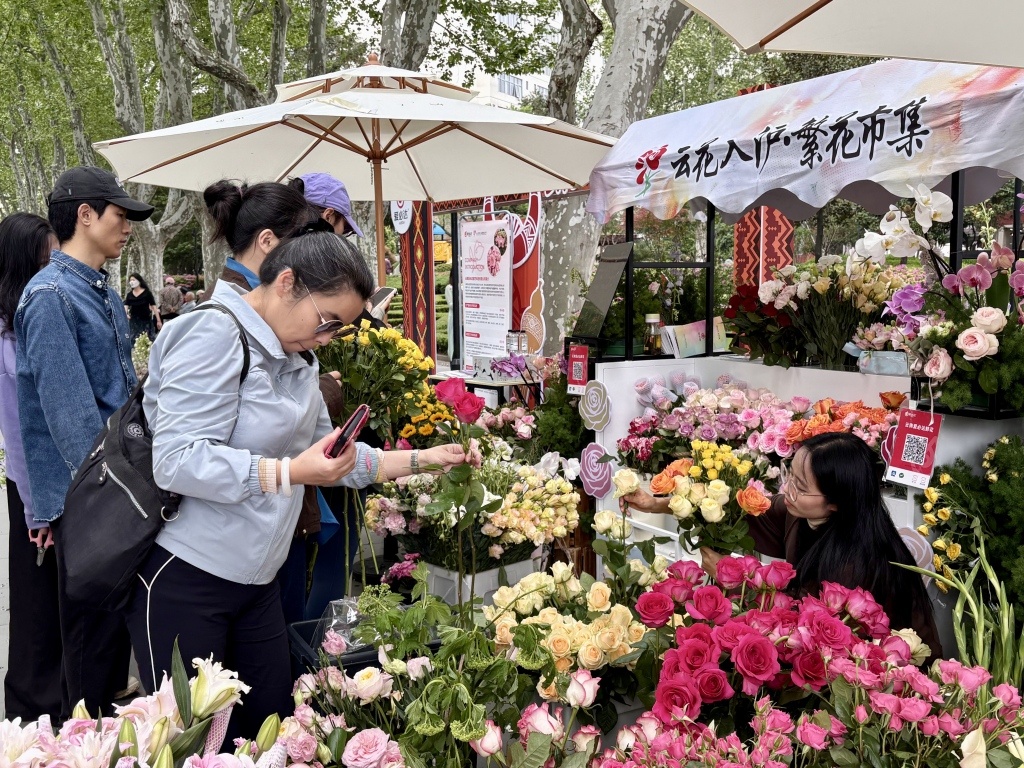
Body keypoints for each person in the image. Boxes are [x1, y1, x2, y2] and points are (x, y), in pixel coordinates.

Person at [125, 225, 465, 740]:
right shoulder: (212, 334)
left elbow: (335, 457)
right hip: (188, 578)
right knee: (190, 741)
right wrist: (288, 472)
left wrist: (425, 459)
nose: (327, 338)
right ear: (286, 282)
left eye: (339, 330)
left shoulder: (298, 357)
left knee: (271, 734)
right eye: (327, 321)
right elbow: (176, 460)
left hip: (260, 581)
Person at [17, 166, 153, 716]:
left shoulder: (101, 293)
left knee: (109, 655)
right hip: (95, 500)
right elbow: (72, 423)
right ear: (85, 215)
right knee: (91, 664)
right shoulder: (50, 296)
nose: (128, 228)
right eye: (121, 216)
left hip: (117, 493)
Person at [621, 432, 941, 660]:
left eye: (800, 487)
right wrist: (655, 504)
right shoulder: (798, 512)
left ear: (837, 503)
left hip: (881, 673)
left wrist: (731, 576)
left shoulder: (855, 562)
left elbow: (805, 626)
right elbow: (739, 512)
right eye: (790, 475)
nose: (787, 490)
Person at [0, 212, 63, 720]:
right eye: (46, 257)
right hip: (31, 489)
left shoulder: (31, 318)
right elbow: (19, 430)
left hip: (42, 486)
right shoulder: (9, 334)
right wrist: (37, 510)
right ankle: (29, 719)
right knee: (38, 613)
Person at [288, 173, 363, 237]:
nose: (343, 239)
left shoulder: (279, 248)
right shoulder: (325, 253)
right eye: (346, 229)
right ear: (328, 217)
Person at [124, 272, 160, 342]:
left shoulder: (147, 293)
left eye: (133, 280)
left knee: (147, 340)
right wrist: (125, 315)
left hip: (146, 321)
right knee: (134, 340)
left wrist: (158, 321)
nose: (132, 282)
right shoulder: (129, 295)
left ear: (139, 281)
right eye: (130, 280)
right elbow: (126, 306)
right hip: (134, 322)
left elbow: (154, 306)